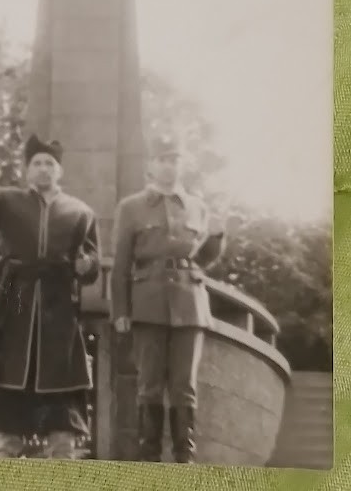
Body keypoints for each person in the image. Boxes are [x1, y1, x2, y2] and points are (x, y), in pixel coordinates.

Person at [0, 133, 101, 459]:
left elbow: (93, 267)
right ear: (27, 169)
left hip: (59, 313)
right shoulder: (6, 200)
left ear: (59, 170)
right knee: (8, 421)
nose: (44, 169)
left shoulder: (81, 213)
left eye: (50, 163)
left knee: (62, 426)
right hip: (14, 305)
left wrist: (86, 265)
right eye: (37, 163)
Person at [110, 132, 227, 464]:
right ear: (151, 165)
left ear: (182, 164)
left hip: (190, 303)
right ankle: (149, 457)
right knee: (148, 383)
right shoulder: (131, 207)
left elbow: (202, 259)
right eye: (163, 159)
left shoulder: (198, 206)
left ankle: (183, 457)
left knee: (184, 383)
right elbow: (120, 264)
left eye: (175, 159)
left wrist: (217, 235)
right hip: (147, 301)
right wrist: (121, 309)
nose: (169, 166)